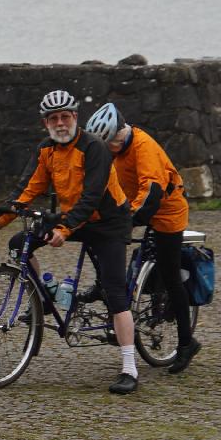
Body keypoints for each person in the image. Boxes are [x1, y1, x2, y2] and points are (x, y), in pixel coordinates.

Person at [0, 89, 139, 394]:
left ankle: (129, 368)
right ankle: (45, 298)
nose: (61, 123)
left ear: (75, 118)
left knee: (114, 290)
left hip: (107, 221)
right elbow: (27, 191)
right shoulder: (46, 150)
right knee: (18, 242)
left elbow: (92, 197)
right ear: (46, 123)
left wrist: (64, 230)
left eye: (66, 117)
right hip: (73, 217)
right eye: (54, 118)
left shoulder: (95, 148)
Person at [86, 101, 200, 373]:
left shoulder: (143, 147)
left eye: (108, 145)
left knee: (170, 274)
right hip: (131, 202)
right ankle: (109, 290)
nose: (106, 151)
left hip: (166, 210)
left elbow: (151, 192)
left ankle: (186, 342)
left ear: (119, 136)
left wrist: (128, 219)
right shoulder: (111, 148)